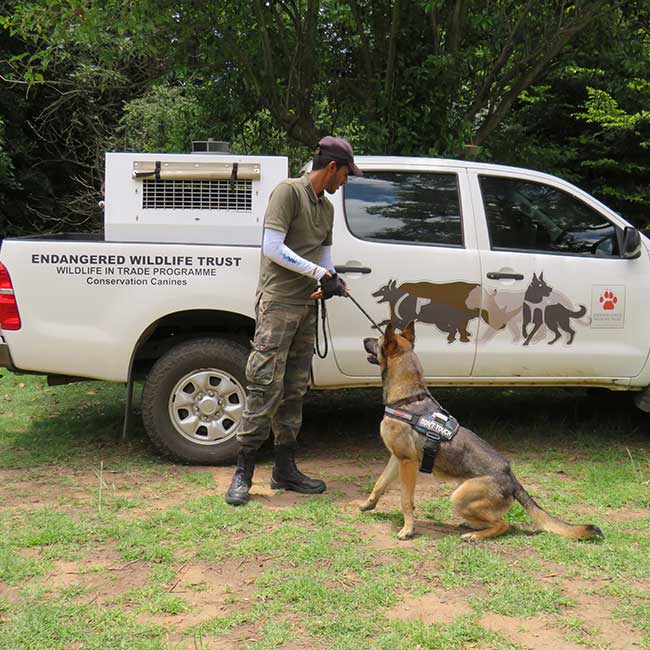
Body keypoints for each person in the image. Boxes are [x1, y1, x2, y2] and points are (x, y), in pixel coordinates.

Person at [225, 136, 362, 506]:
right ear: (331, 168)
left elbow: (325, 257)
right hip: (278, 305)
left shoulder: (327, 209)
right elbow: (272, 247)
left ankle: (285, 470)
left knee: (294, 389)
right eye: (346, 174)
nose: (346, 182)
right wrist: (319, 272)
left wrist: (332, 281)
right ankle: (243, 472)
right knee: (263, 385)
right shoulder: (288, 192)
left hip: (305, 307)